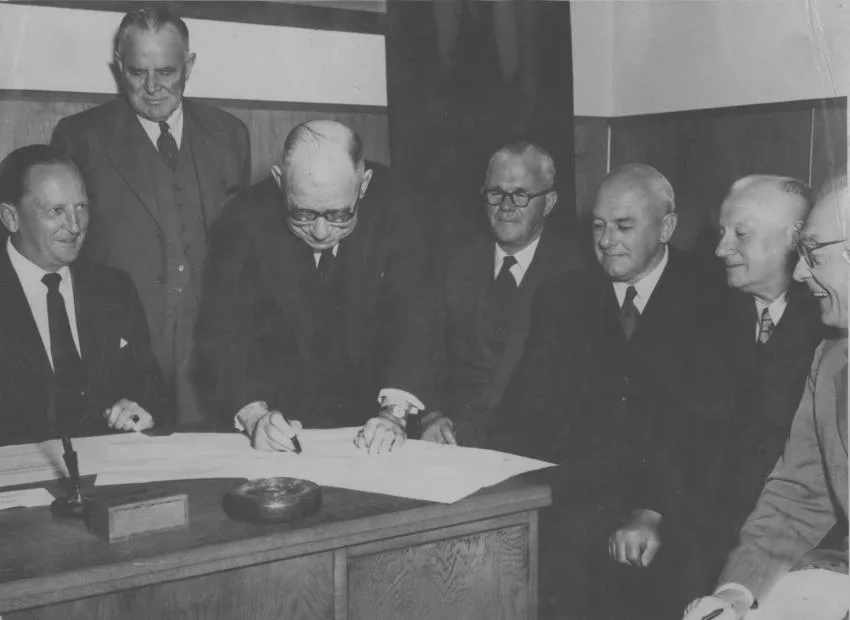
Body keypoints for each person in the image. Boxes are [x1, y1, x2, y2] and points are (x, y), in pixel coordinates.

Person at [489, 164, 732, 619]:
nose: (606, 241)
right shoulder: (563, 296)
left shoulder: (712, 299)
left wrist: (652, 510)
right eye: (598, 226)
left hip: (672, 504)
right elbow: (525, 409)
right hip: (570, 499)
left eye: (623, 226)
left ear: (667, 227)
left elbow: (703, 429)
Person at [51, 7, 251, 424]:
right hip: (128, 361)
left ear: (189, 66)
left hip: (215, 356)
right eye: (138, 72)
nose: (153, 87)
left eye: (167, 71)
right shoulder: (79, 137)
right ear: (119, 67)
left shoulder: (230, 134)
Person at [196, 120, 436, 454]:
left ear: (363, 185)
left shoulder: (400, 211)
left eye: (339, 216)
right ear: (281, 181)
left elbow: (415, 319)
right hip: (280, 424)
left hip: (372, 419)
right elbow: (222, 334)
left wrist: (394, 413)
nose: (321, 232)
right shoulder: (243, 220)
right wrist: (254, 417)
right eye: (303, 215)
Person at [682, 175, 848, 620]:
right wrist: (737, 595)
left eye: (813, 253)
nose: (798, 271)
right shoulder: (831, 361)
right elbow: (797, 497)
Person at [0, 145, 167, 446]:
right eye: (56, 211)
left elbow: (152, 388)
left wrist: (140, 409)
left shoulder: (114, 287)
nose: (75, 226)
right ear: (11, 217)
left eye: (81, 206)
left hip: (109, 474)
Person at [420, 141, 584, 447]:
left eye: (520, 195)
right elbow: (426, 351)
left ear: (548, 203)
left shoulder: (577, 272)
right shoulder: (453, 263)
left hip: (535, 448)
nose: (506, 206)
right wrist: (432, 416)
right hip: (450, 441)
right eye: (496, 193)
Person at [704, 175, 825, 570]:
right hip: (708, 531)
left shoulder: (831, 329)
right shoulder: (704, 313)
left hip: (799, 545)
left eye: (740, 234)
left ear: (795, 238)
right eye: (722, 232)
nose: (721, 248)